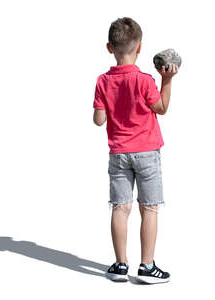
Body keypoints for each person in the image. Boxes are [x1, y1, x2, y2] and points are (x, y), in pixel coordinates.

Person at [92, 17, 178, 284]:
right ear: (139, 48)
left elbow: (98, 120)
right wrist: (167, 79)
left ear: (109, 48)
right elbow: (161, 108)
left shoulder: (103, 81)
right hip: (147, 152)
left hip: (118, 153)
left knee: (120, 207)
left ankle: (120, 266)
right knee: (149, 208)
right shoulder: (145, 81)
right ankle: (147, 266)